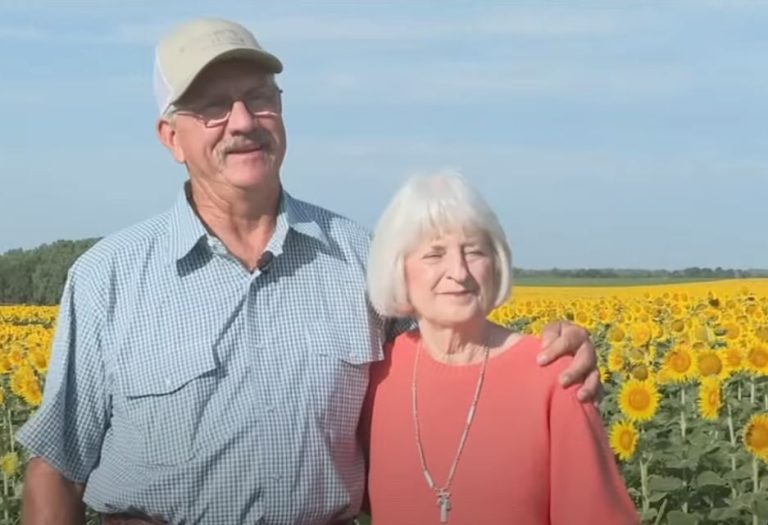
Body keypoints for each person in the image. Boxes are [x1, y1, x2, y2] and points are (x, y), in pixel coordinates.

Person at [17, 18, 602, 525]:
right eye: (214, 107)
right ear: (172, 138)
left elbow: (453, 369)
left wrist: (548, 357)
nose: (242, 121)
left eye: (259, 98)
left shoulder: (362, 261)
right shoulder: (108, 278)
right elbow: (58, 468)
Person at [362, 172, 638, 524]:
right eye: (434, 254)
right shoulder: (377, 375)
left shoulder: (555, 375)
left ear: (496, 263)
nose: (459, 271)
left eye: (474, 251)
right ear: (398, 269)